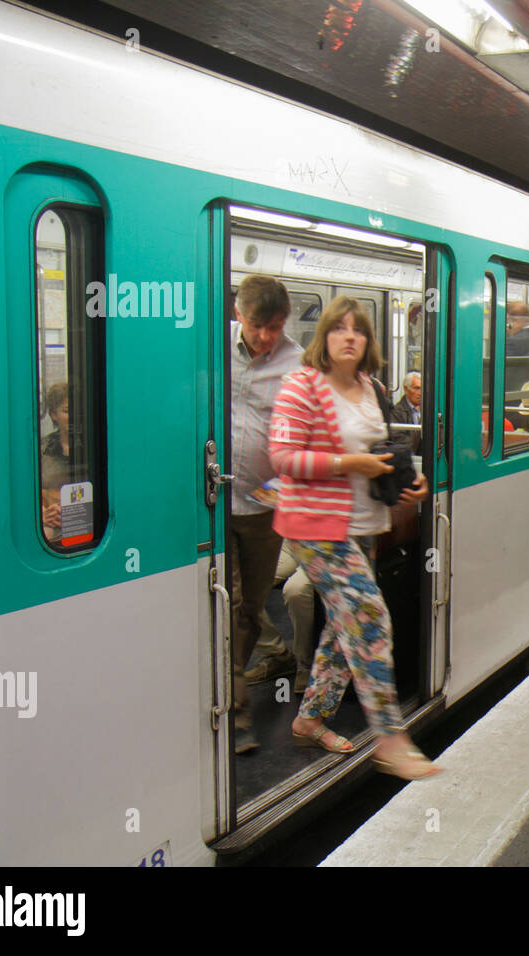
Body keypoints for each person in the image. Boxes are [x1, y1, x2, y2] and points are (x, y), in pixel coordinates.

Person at [269, 295, 438, 780]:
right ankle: (390, 737)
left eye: (358, 330)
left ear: (368, 342)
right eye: (340, 329)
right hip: (316, 528)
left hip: (362, 524)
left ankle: (310, 717)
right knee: (370, 620)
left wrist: (408, 481)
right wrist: (348, 465)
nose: (350, 337)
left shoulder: (369, 386)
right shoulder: (301, 386)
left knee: (341, 629)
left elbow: (380, 450)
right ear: (324, 336)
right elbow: (283, 458)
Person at [229, 275, 302, 754]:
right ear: (239, 315)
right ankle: (234, 712)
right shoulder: (207, 347)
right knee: (222, 604)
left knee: (249, 608)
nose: (267, 337)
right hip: (209, 503)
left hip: (260, 508)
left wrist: (280, 486)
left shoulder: (297, 364)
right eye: (259, 326)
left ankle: (230, 697)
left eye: (275, 327)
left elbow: (304, 439)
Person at [245, 542, 318, 693]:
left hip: (323, 545)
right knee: (239, 586)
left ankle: (305, 663)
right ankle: (277, 655)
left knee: (296, 591)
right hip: (290, 540)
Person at [40, 381, 77, 542]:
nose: (74, 416)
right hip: (51, 519)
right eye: (67, 411)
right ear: (54, 415)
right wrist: (42, 513)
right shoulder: (42, 448)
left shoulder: (94, 447)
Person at [389, 370, 423, 452]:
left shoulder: (426, 409)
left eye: (422, 388)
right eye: (416, 388)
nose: (420, 393)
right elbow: (398, 439)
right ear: (406, 389)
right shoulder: (397, 412)